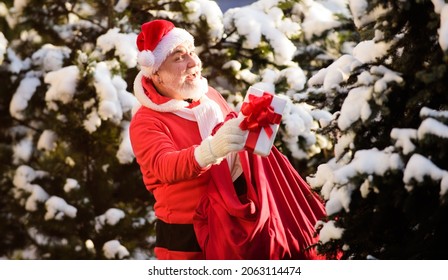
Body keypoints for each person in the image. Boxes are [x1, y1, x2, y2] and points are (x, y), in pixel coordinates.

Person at [129, 19, 326, 260]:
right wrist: (211, 150)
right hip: (188, 242)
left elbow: (231, 142)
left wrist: (250, 130)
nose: (193, 62)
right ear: (156, 73)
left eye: (191, 52)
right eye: (179, 57)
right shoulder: (146, 121)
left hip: (234, 226)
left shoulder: (207, 94)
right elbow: (165, 166)